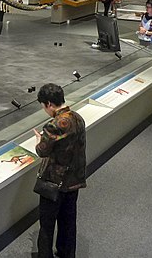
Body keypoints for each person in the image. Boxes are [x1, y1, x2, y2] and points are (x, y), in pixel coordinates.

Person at [32, 83, 86, 258]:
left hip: (54, 183)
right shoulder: (78, 118)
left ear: (49, 103)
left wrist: (39, 140)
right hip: (74, 181)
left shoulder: (54, 125)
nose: (45, 111)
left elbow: (42, 151)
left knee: (47, 225)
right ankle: (66, 253)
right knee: (68, 222)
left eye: (43, 107)